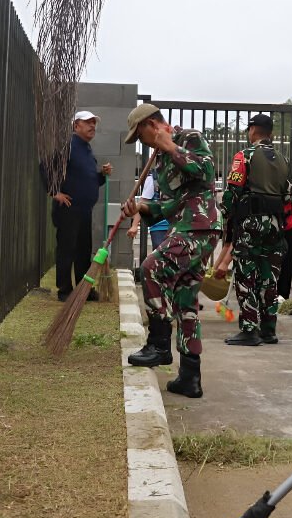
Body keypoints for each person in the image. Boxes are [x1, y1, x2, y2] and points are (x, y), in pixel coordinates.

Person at [122, 104, 221, 398]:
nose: (142, 143)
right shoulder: (160, 161)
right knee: (185, 303)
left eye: (141, 135)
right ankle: (190, 377)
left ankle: (159, 344)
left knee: (152, 268)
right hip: (184, 225)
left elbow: (206, 170)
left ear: (152, 125)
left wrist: (171, 147)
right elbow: (171, 205)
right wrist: (142, 207)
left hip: (199, 226)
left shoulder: (189, 137)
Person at [214, 114, 292, 346]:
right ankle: (269, 329)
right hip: (276, 225)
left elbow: (232, 190)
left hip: (251, 224)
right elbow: (289, 195)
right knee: (270, 279)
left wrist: (227, 212)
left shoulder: (244, 156)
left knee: (246, 275)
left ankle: (249, 329)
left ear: (252, 130)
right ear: (271, 133)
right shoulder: (283, 159)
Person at [49, 111, 112, 301]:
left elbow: (90, 181)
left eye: (94, 123)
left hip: (84, 210)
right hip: (68, 208)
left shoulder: (86, 149)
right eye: (88, 123)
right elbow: (45, 167)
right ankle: (65, 290)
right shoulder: (67, 147)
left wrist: (102, 174)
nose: (93, 126)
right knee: (67, 249)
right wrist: (55, 193)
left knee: (83, 251)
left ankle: (84, 289)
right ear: (76, 126)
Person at [127, 171, 170, 250]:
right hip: (159, 227)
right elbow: (142, 204)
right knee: (161, 258)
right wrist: (134, 225)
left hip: (182, 227)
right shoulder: (153, 178)